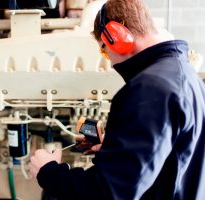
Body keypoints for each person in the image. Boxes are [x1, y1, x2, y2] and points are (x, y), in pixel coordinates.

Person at [29, 0, 205, 199]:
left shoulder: (149, 88)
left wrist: (48, 172)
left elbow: (108, 192)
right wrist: (117, 149)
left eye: (104, 49)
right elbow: (171, 159)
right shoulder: (184, 75)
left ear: (117, 36)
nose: (110, 62)